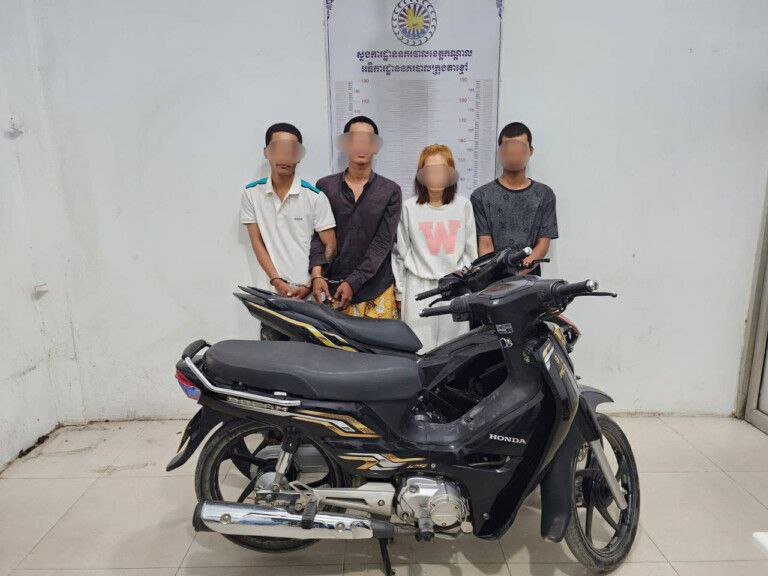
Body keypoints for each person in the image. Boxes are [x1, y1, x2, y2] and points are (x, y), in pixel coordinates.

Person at [240, 122, 336, 339]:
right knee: (273, 356)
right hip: (272, 297)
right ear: (267, 152)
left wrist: (311, 283)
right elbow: (257, 242)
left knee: (311, 356)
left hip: (311, 298)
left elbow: (330, 244)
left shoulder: (315, 197)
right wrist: (276, 281)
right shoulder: (251, 194)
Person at [309, 116, 402, 319]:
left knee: (379, 342)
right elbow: (318, 236)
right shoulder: (325, 186)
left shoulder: (391, 191)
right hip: (332, 290)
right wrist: (316, 275)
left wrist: (353, 281)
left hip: (376, 291)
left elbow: (383, 243)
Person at [393, 144, 477, 351]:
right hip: (418, 287)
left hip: (455, 287)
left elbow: (470, 252)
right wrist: (400, 293)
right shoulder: (409, 207)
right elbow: (401, 252)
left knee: (454, 351)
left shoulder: (463, 206)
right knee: (419, 350)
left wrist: (466, 285)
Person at [470, 122, 558, 275]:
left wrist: (517, 274)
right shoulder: (481, 196)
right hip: (492, 281)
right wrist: (495, 277)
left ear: (530, 151)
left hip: (530, 280)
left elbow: (543, 244)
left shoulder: (544, 195)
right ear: (500, 152)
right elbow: (485, 244)